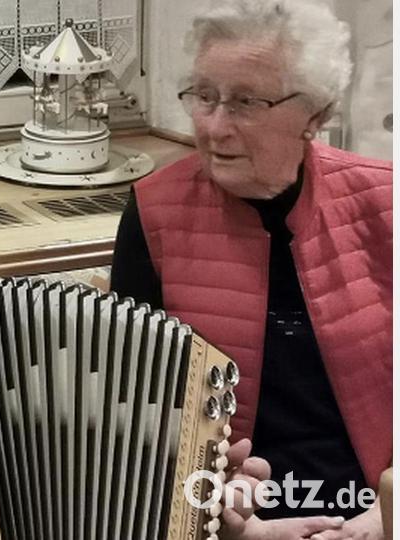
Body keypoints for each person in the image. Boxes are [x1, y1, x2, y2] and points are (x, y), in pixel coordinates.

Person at [110, 0, 391, 538]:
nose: (216, 127)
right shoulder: (153, 213)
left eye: (244, 103)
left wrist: (386, 516)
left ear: (316, 114)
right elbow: (134, 422)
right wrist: (225, 526)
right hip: (231, 514)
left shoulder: (387, 203)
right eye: (204, 97)